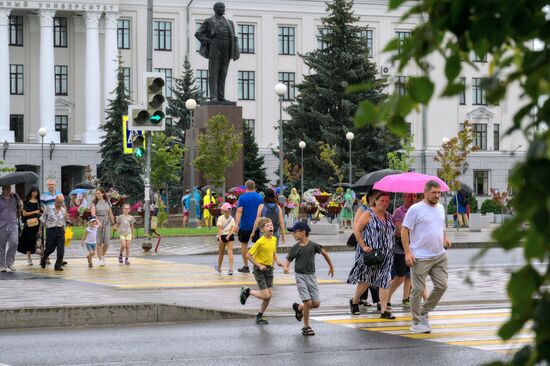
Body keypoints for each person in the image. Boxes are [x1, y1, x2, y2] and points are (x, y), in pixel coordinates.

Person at [402, 180, 451, 333]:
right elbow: (404, 231)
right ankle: (416, 322)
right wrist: (408, 253)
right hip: (420, 257)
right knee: (417, 290)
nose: (437, 195)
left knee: (442, 286)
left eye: (439, 193)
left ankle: (423, 311)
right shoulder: (415, 209)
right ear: (426, 193)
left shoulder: (441, 208)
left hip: (439, 255)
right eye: (434, 193)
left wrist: (445, 238)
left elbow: (441, 226)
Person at [348, 191, 396, 319]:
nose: (385, 204)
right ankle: (355, 301)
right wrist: (363, 246)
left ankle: (384, 311)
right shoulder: (368, 214)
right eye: (382, 201)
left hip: (386, 254)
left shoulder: (389, 216)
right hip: (372, 253)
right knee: (366, 280)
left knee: (385, 281)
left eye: (387, 201)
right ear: (375, 201)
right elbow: (357, 231)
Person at [284, 222, 334, 336]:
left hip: (311, 276)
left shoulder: (313, 245)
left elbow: (325, 254)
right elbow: (289, 259)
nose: (293, 235)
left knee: (315, 304)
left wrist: (331, 267)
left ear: (303, 232)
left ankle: (299, 308)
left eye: (294, 232)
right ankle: (306, 326)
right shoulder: (295, 247)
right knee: (307, 301)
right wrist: (286, 267)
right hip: (300, 276)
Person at [239, 217, 283, 325]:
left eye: (271, 225)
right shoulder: (260, 242)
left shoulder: (274, 239)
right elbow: (248, 255)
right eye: (267, 226)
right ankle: (247, 291)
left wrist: (277, 261)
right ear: (262, 229)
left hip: (269, 269)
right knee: (266, 295)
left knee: (268, 296)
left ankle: (259, 316)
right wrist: (259, 265)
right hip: (259, 270)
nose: (271, 227)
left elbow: (272, 252)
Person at [194, 2, 240, 102]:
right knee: (214, 72)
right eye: (221, 7)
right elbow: (198, 33)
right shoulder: (209, 21)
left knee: (223, 73)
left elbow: (234, 37)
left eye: (224, 7)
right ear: (215, 9)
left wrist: (236, 51)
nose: (223, 9)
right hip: (215, 47)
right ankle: (213, 96)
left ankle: (221, 96)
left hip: (227, 48)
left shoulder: (230, 22)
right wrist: (208, 42)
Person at [387, 193, 417, 307]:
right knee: (400, 277)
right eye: (409, 196)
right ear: (404, 197)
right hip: (400, 249)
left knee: (410, 276)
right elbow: (400, 231)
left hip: (414, 248)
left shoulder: (418, 210)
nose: (412, 198)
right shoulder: (399, 212)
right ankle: (386, 298)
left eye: (414, 196)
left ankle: (406, 298)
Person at [233, 180, 263, 273]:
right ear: (254, 187)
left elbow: (239, 211)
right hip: (257, 226)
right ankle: (257, 266)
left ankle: (246, 266)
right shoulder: (259, 197)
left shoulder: (242, 198)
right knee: (257, 245)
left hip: (244, 226)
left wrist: (236, 225)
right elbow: (262, 211)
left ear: (245, 187)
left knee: (244, 245)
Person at [39, 194, 68, 271]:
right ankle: (44, 257)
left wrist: (65, 228)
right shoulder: (48, 208)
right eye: (59, 202)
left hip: (60, 230)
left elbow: (65, 220)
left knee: (61, 249)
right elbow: (42, 219)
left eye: (62, 202)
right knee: (50, 248)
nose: (60, 204)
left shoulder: (63, 210)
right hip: (51, 230)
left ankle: (58, 265)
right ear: (55, 200)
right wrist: (40, 230)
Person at [17, 187, 42, 266]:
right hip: (28, 224)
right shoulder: (26, 202)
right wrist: (35, 211)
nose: (34, 193)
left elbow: (40, 212)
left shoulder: (38, 202)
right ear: (30, 192)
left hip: (37, 224)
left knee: (38, 241)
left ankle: (42, 259)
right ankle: (29, 258)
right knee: (28, 241)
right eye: (33, 192)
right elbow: (24, 213)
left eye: (36, 192)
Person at [0, 185, 22, 272]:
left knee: (14, 243)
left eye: (9, 188)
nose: (8, 190)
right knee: (1, 247)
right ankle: (2, 265)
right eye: (6, 189)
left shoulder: (15, 198)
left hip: (13, 225)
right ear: (2, 190)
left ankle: (10, 263)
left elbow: (21, 207)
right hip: (2, 226)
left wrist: (18, 199)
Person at [91, 188, 114, 266]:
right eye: (96, 193)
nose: (97, 195)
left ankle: (103, 255)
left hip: (107, 221)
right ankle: (100, 258)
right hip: (98, 221)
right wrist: (98, 222)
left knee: (107, 242)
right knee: (99, 242)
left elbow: (110, 213)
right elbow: (93, 214)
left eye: (99, 193)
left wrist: (113, 223)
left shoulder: (107, 202)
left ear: (103, 194)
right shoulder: (94, 203)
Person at [215, 202, 236, 275]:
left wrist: (220, 237)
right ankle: (230, 269)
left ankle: (219, 268)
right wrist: (229, 235)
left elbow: (220, 228)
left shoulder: (220, 218)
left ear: (223, 211)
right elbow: (233, 228)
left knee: (221, 253)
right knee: (230, 252)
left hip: (223, 236)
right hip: (230, 236)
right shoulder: (232, 219)